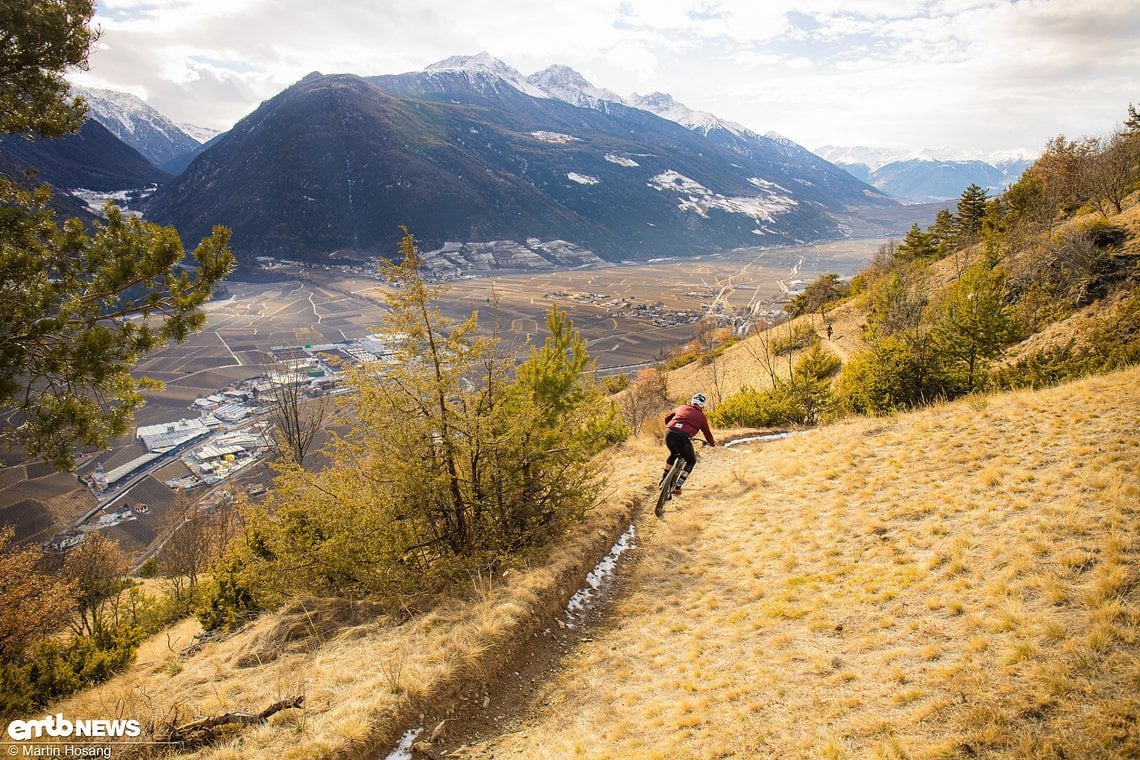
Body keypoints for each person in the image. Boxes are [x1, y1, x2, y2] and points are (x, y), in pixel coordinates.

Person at [661, 393, 717, 496]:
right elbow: (707, 433)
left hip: (669, 433)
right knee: (691, 460)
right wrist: (712, 443)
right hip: (683, 437)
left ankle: (663, 479)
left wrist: (671, 426)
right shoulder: (702, 417)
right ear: (702, 406)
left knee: (673, 454)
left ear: (692, 401)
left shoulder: (682, 407)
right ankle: (677, 487)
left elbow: (667, 416)